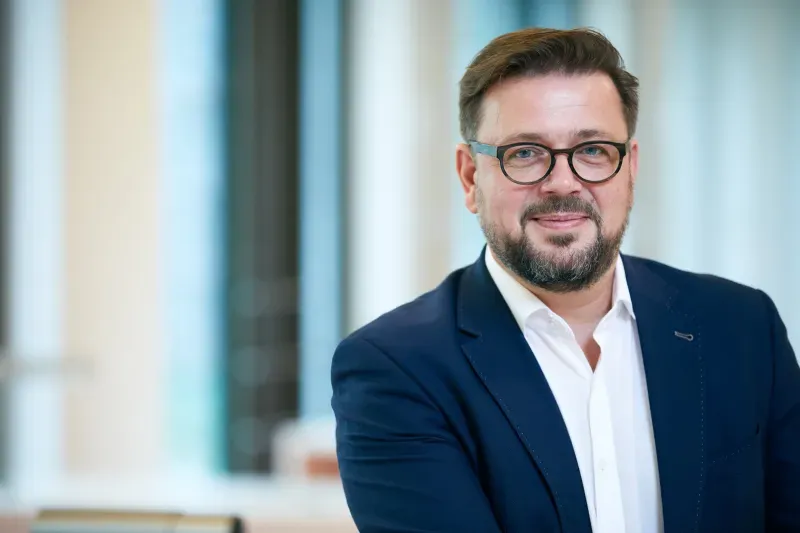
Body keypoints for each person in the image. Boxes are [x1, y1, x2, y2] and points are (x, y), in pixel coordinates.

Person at [330, 27, 800, 533]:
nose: (562, 182)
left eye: (593, 150)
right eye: (524, 153)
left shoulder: (741, 327)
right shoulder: (395, 369)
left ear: (630, 168)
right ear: (470, 177)